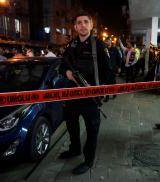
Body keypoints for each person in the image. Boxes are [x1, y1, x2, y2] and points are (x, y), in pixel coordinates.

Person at [59, 11, 112, 175]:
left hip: (90, 97)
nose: (82, 25)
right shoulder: (71, 45)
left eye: (85, 22)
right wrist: (67, 73)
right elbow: (62, 67)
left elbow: (108, 72)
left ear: (91, 25)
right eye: (79, 23)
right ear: (75, 27)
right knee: (71, 124)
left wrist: (95, 87)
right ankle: (74, 149)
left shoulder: (99, 46)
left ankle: (88, 161)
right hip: (72, 95)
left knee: (92, 129)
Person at [103, 36, 121, 102]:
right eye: (107, 40)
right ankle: (107, 97)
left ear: (111, 41)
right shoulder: (104, 49)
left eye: (109, 40)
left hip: (113, 69)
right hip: (106, 69)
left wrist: (119, 67)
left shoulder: (115, 49)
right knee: (107, 83)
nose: (108, 42)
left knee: (113, 82)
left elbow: (119, 58)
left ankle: (114, 93)